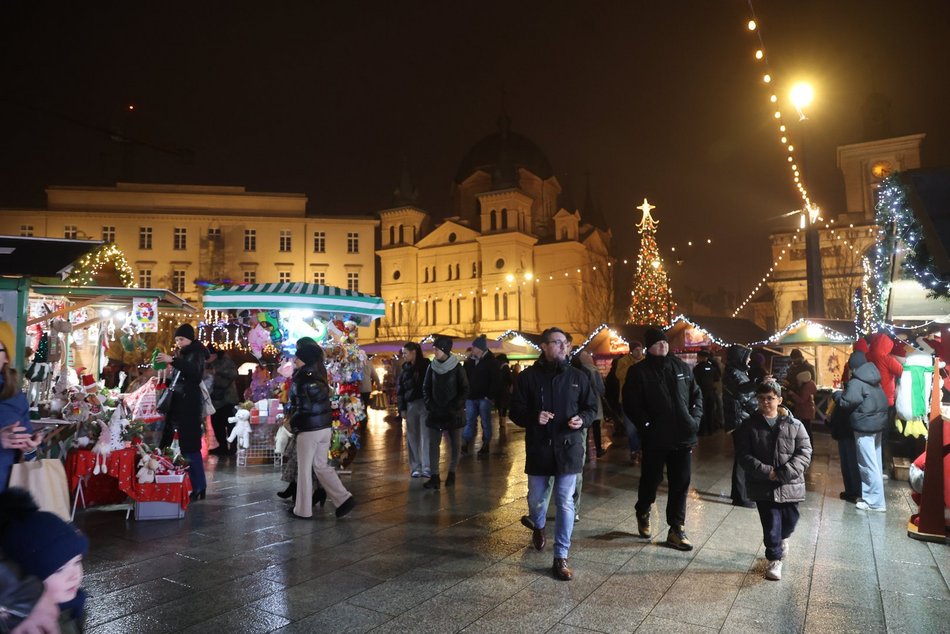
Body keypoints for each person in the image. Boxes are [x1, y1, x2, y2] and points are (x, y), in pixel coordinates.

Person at [511, 327, 597, 581]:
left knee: (565, 501)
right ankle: (538, 525)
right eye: (557, 342)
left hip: (569, 448)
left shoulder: (578, 376)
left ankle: (561, 555)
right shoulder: (528, 377)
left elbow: (591, 407)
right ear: (544, 346)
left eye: (565, 343)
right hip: (539, 447)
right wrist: (533, 417)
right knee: (536, 500)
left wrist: (582, 419)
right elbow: (515, 410)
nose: (563, 347)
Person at [623, 328, 703, 550]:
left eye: (665, 342)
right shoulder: (638, 371)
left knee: (680, 483)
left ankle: (676, 529)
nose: (663, 346)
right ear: (649, 347)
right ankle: (643, 510)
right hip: (656, 439)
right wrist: (647, 425)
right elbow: (631, 404)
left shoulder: (681, 367)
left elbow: (696, 395)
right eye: (658, 343)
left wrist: (694, 420)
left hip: (683, 436)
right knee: (651, 480)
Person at [735, 380, 813, 582]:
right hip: (763, 485)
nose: (765, 402)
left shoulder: (794, 425)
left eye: (770, 398)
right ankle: (774, 558)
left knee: (790, 520)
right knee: (771, 524)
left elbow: (804, 452)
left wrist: (784, 472)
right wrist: (767, 472)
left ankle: (783, 538)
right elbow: (743, 455)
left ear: (779, 400)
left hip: (790, 484)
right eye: (761, 398)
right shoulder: (749, 425)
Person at [0, 488, 88, 631]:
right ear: (28, 578)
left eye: (77, 562)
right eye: (60, 569)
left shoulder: (76, 604)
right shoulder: (28, 626)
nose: (75, 575)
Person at [288, 343, 356, 519]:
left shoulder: (301, 379)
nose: (295, 360)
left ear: (305, 359)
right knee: (321, 466)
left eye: (298, 357)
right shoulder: (320, 375)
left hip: (308, 429)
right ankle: (344, 499)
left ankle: (302, 510)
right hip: (324, 427)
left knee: (304, 470)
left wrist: (292, 422)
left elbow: (302, 408)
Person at [157, 323, 209, 502]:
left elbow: (194, 373)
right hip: (181, 404)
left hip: (189, 406)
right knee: (184, 446)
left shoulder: (196, 352)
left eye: (181, 339)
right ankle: (195, 485)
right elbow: (182, 378)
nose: (178, 342)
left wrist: (173, 360)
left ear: (190, 339)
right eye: (177, 339)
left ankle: (199, 485)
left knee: (190, 447)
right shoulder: (185, 353)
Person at [835, 351, 889, 512]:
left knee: (867, 464)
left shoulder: (857, 381)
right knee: (875, 463)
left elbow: (846, 403)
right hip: (878, 424)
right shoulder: (874, 378)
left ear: (853, 367)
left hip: (864, 426)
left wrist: (836, 395)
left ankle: (874, 502)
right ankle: (876, 498)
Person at [422, 336, 469, 489]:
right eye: (434, 349)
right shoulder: (431, 366)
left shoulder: (457, 367)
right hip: (435, 412)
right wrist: (430, 405)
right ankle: (434, 477)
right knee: (433, 445)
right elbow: (426, 388)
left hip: (453, 413)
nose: (434, 351)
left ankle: (452, 473)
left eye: (436, 349)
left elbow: (464, 389)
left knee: (455, 444)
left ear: (444, 349)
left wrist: (455, 405)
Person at [0, 322, 39, 493]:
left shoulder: (16, 398)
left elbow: (27, 455)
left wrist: (29, 447)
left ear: (6, 357)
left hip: (7, 494)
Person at [722, 344, 758, 508]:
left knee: (743, 455)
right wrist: (757, 384)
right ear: (739, 357)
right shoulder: (732, 372)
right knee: (743, 457)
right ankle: (740, 496)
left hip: (743, 417)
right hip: (739, 419)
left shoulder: (739, 372)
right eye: (747, 356)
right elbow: (741, 392)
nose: (749, 359)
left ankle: (739, 492)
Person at [571, 350, 604, 519]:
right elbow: (600, 389)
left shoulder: (581, 372)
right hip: (589, 412)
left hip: (580, 417)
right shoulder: (590, 370)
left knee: (575, 465)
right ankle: (573, 508)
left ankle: (572, 508)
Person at [866, 332, 904, 477]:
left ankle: (872, 465)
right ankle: (880, 466)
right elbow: (901, 371)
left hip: (870, 401)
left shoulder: (868, 357)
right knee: (883, 436)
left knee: (872, 434)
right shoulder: (887, 359)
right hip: (885, 402)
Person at [463, 334, 500, 456]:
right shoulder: (470, 362)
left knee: (485, 421)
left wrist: (489, 396)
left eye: (474, 347)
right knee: (469, 421)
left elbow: (495, 380)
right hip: (471, 397)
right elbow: (465, 378)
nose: (472, 349)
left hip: (484, 398)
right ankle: (465, 443)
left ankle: (486, 444)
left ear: (479, 348)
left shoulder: (491, 361)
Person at [397, 341, 430, 478]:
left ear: (413, 352)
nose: (403, 355)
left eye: (405, 353)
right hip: (411, 404)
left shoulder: (426, 367)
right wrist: (402, 408)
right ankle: (415, 467)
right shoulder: (405, 369)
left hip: (425, 404)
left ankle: (427, 467)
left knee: (426, 436)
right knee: (412, 436)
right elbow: (400, 390)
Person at [206, 344, 239, 456]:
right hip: (214, 400)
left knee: (230, 424)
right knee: (216, 424)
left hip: (228, 399)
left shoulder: (225, 361)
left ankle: (233, 447)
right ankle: (222, 447)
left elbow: (234, 373)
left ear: (213, 355)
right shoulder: (208, 364)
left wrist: (217, 371)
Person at [693, 349, 723, 436]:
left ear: (701, 357)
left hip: (701, 393)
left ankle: (702, 430)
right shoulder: (712, 367)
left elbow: (694, 381)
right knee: (711, 411)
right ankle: (711, 430)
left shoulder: (697, 368)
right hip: (711, 392)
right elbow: (717, 378)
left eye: (698, 357)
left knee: (702, 411)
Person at [785, 370, 816, 441]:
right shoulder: (811, 384)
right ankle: (808, 444)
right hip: (808, 410)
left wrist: (793, 394)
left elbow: (801, 400)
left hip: (805, 411)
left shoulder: (806, 387)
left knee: (806, 429)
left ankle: (808, 444)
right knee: (807, 428)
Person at [496, 353, 513, 442]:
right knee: (503, 405)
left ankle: (501, 420)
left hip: (501, 390)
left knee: (501, 405)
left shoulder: (501, 367)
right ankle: (502, 420)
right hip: (504, 390)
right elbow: (510, 380)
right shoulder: (505, 367)